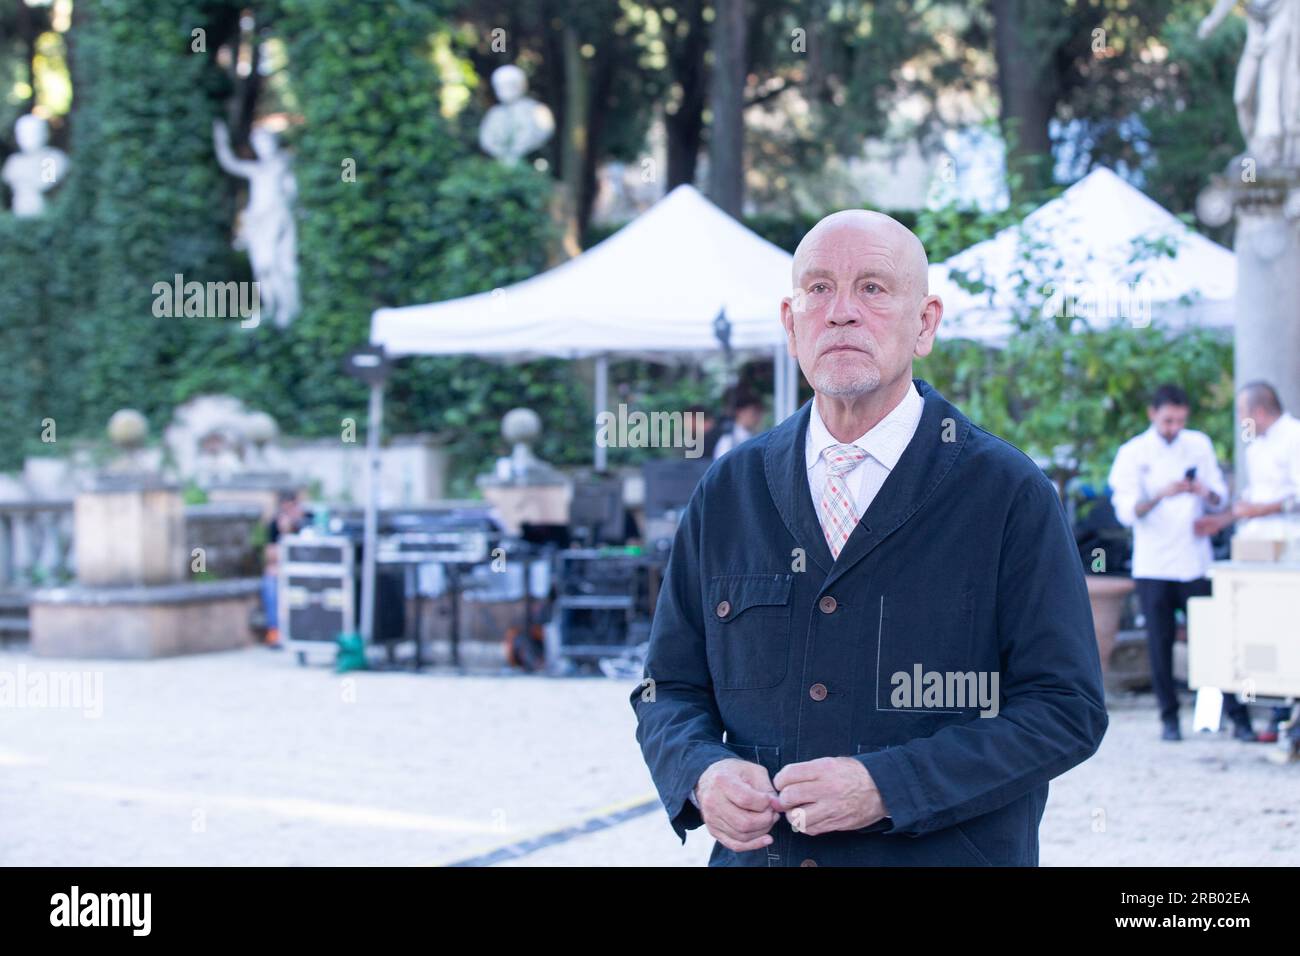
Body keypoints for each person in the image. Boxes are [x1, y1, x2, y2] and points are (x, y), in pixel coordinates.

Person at [629, 209, 1107, 866]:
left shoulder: (1007, 494)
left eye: (874, 288)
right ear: (791, 323)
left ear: (926, 324)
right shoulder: (729, 490)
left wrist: (889, 787)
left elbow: (1065, 707)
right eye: (819, 288)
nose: (842, 312)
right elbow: (668, 687)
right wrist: (701, 773)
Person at [1107, 385, 1255, 742]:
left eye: (1180, 420)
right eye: (1168, 419)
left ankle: (1236, 717)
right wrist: (1161, 494)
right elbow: (1127, 512)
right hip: (1154, 563)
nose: (1174, 426)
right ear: (1152, 415)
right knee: (1160, 644)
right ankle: (1169, 718)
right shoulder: (1133, 453)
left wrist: (1203, 491)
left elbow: (1220, 499)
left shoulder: (1199, 445)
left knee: (1214, 639)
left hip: (1193, 558)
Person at [1195, 381, 1300, 742]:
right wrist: (1222, 520)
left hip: (1290, 547)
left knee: (1290, 631)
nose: (1241, 421)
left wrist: (1260, 509)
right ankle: (1264, 715)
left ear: (1258, 411)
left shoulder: (1294, 437)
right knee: (1260, 629)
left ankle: (1284, 716)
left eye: (1242, 414)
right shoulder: (1257, 447)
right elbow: (1250, 502)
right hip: (1254, 549)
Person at [261, 490, 309, 646]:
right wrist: (285, 533)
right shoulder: (275, 525)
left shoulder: (307, 522)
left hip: (305, 571)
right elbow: (270, 556)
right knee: (270, 582)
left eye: (292, 508)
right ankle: (274, 632)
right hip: (285, 569)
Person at [711, 390, 766, 459]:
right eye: (754, 413)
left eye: (759, 413)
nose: (758, 417)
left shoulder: (752, 436)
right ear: (739, 412)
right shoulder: (728, 440)